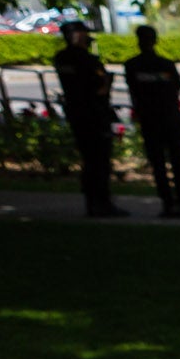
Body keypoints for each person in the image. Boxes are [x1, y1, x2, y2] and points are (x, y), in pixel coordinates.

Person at [49, 21, 127, 218]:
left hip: (76, 113)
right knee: (99, 160)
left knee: (88, 159)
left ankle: (92, 201)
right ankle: (102, 202)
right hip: (93, 114)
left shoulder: (61, 58)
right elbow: (99, 87)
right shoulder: (87, 60)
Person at [120, 24, 180, 218]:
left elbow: (135, 91)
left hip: (150, 119)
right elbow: (175, 88)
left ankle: (168, 203)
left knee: (159, 164)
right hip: (168, 117)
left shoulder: (132, 66)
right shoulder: (166, 65)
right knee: (177, 162)